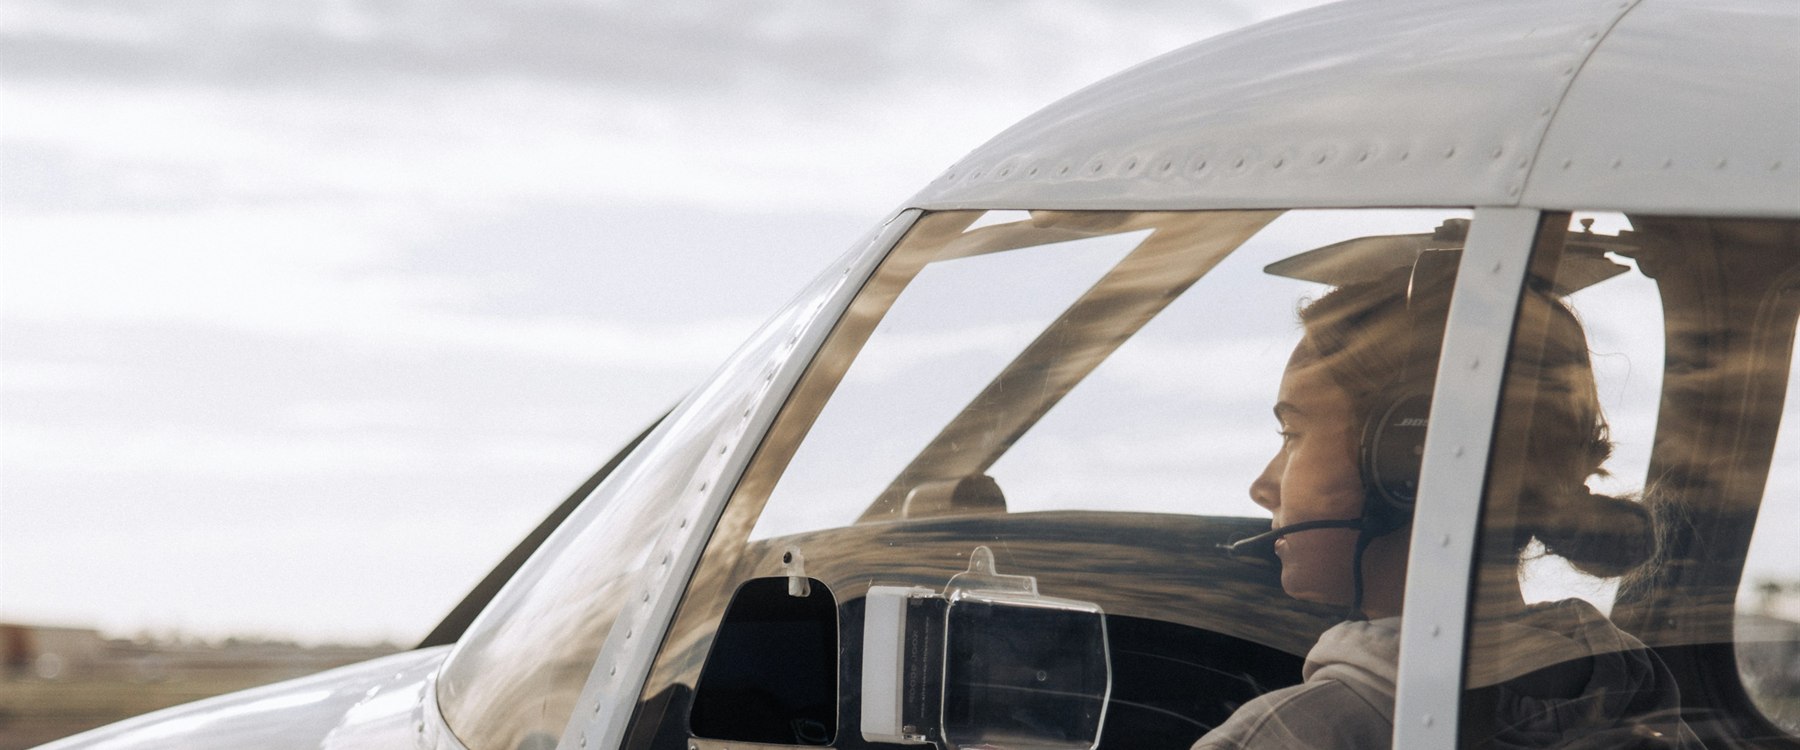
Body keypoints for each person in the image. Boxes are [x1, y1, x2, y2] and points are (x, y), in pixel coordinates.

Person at [1196, 256, 1696, 749]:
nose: (1262, 486)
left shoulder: (1295, 734)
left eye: (1292, 434)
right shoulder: (1643, 704)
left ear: (1409, 458)